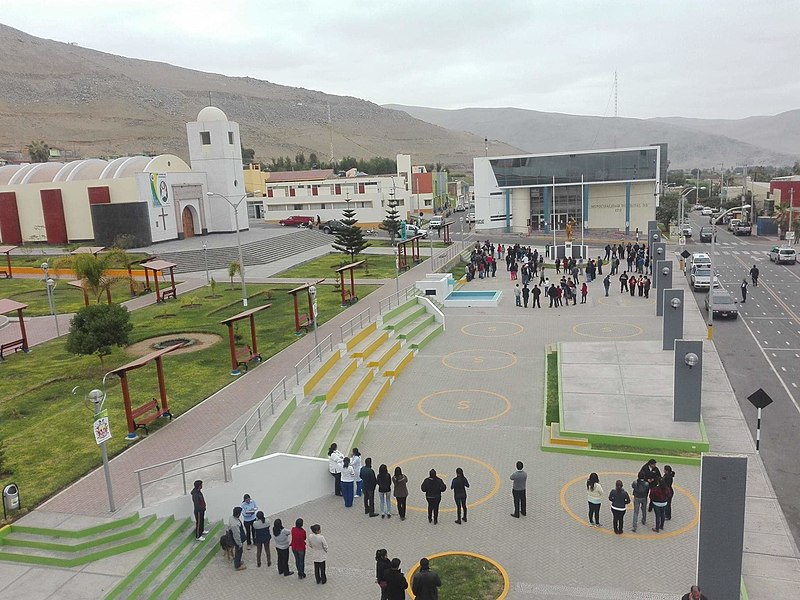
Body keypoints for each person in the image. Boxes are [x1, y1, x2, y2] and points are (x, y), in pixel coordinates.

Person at [228, 506, 246, 571]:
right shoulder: (235, 524)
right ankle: (237, 565)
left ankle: (238, 561)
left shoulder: (231, 518)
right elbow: (237, 535)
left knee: (238, 551)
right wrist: (239, 543)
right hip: (237, 540)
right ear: (238, 514)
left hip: (235, 537)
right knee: (239, 551)